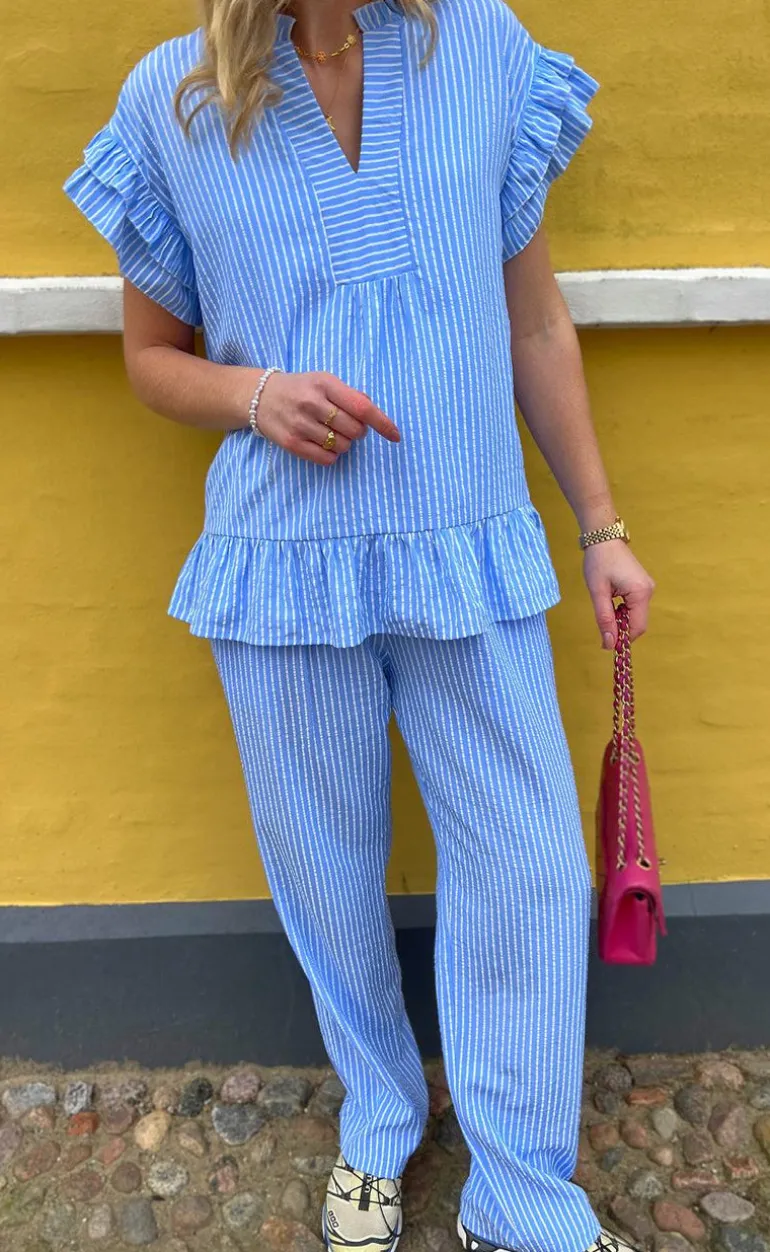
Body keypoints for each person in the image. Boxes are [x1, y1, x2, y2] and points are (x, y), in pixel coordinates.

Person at [62, 0, 655, 1248]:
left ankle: (519, 1195)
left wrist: (599, 523)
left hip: (468, 544)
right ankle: (378, 1117)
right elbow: (151, 357)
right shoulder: (171, 99)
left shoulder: (480, 49)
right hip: (283, 567)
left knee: (530, 870)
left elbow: (533, 320)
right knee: (326, 876)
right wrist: (256, 394)